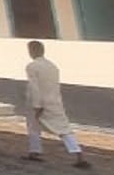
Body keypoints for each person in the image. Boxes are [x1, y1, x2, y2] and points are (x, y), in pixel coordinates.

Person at [23, 40, 89, 168]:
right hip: (54, 101)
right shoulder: (52, 66)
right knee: (63, 128)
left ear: (32, 51)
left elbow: (34, 87)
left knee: (33, 127)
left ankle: (35, 151)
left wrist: (37, 105)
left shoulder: (32, 66)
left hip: (40, 102)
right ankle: (77, 153)